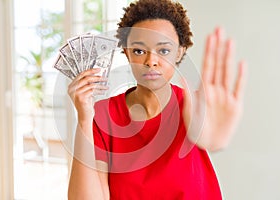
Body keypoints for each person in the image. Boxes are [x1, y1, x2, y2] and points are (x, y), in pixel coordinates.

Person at [67, 0, 246, 199]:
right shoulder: (103, 115)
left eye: (163, 50)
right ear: (126, 53)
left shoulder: (195, 108)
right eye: (139, 50)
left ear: (180, 51)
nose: (151, 61)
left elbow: (210, 133)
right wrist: (84, 118)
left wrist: (212, 138)